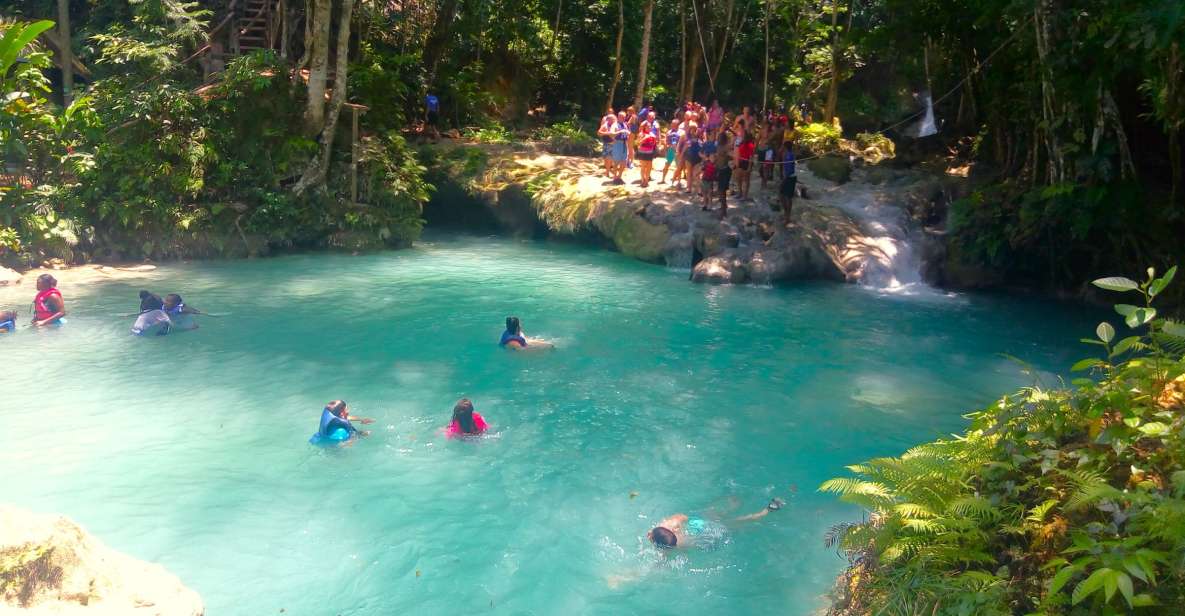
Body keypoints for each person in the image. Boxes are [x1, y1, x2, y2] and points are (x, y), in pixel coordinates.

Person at [648, 498, 785, 550]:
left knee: (737, 525)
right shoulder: (671, 524)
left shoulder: (675, 546)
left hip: (707, 532)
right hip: (699, 524)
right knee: (730, 521)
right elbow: (683, 516)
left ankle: (766, 511)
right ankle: (763, 509)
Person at [779, 140, 798, 226]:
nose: (782, 148)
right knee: (781, 195)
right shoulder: (786, 155)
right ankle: (786, 213)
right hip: (787, 177)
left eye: (783, 146)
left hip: (790, 177)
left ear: (785, 147)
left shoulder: (789, 156)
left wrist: (784, 179)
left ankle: (788, 217)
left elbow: (790, 170)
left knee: (788, 197)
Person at [610, 111, 631, 184]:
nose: (624, 118)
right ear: (618, 117)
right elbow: (611, 134)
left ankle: (619, 177)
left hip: (624, 144)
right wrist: (620, 131)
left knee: (624, 162)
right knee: (616, 162)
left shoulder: (625, 125)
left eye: (624, 117)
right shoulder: (615, 125)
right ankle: (615, 177)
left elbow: (628, 133)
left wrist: (628, 135)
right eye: (622, 117)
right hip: (617, 144)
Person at [659, 119, 681, 184]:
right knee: (667, 164)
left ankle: (679, 182)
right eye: (672, 124)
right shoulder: (669, 132)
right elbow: (666, 141)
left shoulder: (681, 132)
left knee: (678, 166)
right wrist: (666, 148)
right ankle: (663, 179)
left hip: (678, 150)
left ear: (677, 125)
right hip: (670, 150)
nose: (672, 125)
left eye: (674, 124)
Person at [735, 132, 756, 200]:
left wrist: (749, 167)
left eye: (744, 136)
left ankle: (745, 195)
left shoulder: (750, 145)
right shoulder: (741, 143)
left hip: (747, 162)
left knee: (746, 179)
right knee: (738, 178)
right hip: (741, 161)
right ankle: (740, 192)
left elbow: (751, 157)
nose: (742, 137)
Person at [598, 109, 617, 178]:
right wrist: (606, 133)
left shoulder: (616, 125)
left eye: (613, 119)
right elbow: (599, 132)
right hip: (606, 143)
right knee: (606, 158)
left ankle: (609, 172)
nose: (613, 120)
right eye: (611, 119)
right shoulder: (605, 125)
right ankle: (607, 171)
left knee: (610, 158)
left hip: (614, 144)